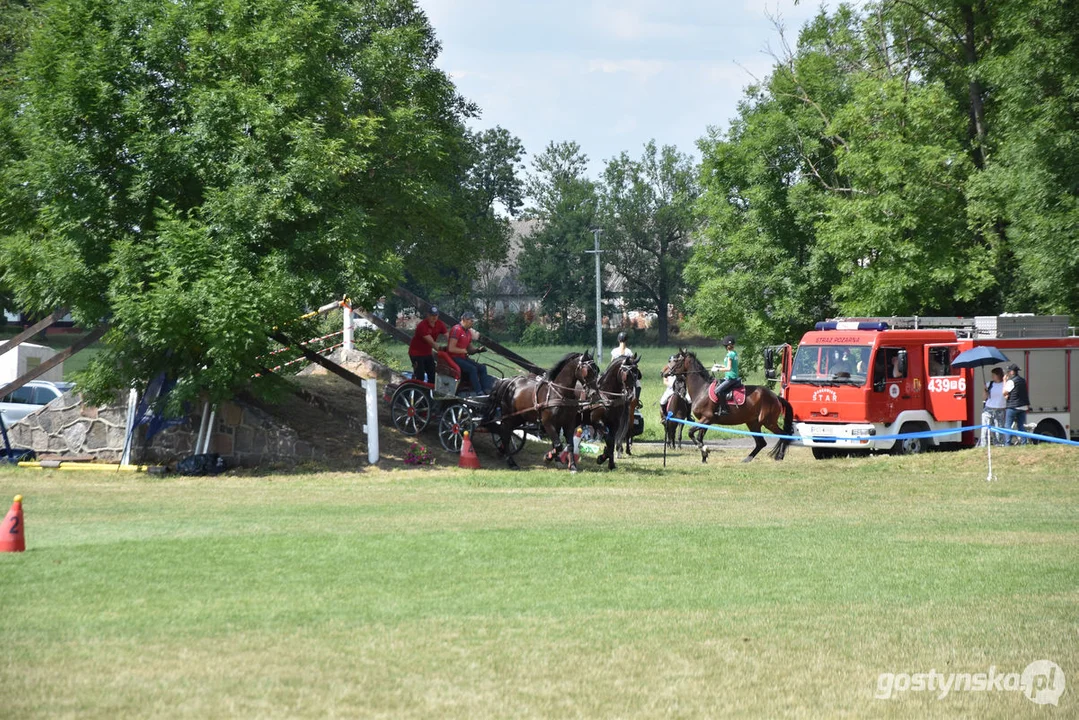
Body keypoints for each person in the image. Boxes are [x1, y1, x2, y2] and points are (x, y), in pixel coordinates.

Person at [447, 311, 494, 393]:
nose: (473, 323)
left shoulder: (468, 332)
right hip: (454, 358)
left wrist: (478, 350)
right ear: (464, 319)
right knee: (472, 369)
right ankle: (478, 391)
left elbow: (470, 350)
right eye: (471, 321)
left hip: (463, 357)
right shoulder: (456, 329)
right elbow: (451, 348)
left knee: (482, 367)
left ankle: (486, 389)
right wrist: (462, 350)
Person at [407, 306, 447, 384]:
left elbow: (449, 336)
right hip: (416, 353)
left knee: (432, 374)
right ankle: (416, 393)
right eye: (432, 315)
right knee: (420, 376)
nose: (434, 317)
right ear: (428, 315)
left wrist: (455, 345)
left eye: (436, 315)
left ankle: (430, 393)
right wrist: (444, 349)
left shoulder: (440, 324)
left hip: (427, 353)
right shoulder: (422, 326)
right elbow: (432, 343)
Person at [1003, 363, 1030, 445]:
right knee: (1021, 426)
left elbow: (1004, 392)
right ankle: (1024, 443)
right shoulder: (1023, 380)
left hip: (1013, 406)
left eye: (1008, 371)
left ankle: (1007, 444)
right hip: (1023, 406)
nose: (1007, 373)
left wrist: (1004, 381)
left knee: (1008, 426)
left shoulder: (1011, 381)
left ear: (1012, 372)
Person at [714, 335, 740, 415]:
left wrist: (717, 369)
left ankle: (724, 409)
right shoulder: (733, 353)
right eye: (728, 345)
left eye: (730, 345)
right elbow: (729, 366)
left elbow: (728, 368)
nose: (729, 346)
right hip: (730, 377)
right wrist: (719, 366)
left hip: (731, 378)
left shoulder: (730, 355)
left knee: (717, 391)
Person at [981, 367, 1007, 447]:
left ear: (999, 375)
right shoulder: (990, 384)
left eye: (994, 375)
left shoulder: (1005, 384)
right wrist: (985, 390)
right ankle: (983, 446)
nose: (992, 376)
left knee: (998, 430)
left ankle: (999, 445)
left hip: (1000, 410)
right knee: (985, 429)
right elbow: (984, 397)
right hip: (988, 409)